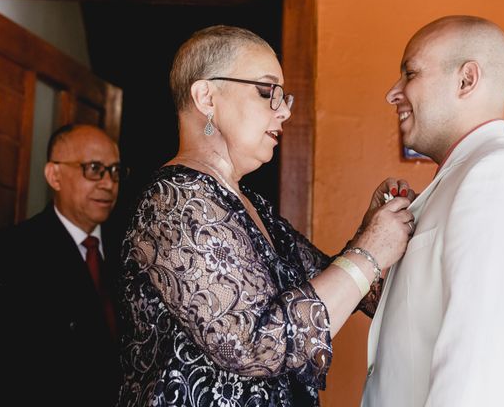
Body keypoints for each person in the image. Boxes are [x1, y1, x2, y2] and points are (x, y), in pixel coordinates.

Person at [117, 25, 416, 407]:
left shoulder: (252, 205)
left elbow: (340, 286)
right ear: (206, 97)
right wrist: (370, 250)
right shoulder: (173, 202)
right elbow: (255, 344)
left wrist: (370, 232)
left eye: (283, 95)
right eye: (267, 92)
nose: (285, 110)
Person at [361, 15, 504, 406]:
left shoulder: (502, 177)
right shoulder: (461, 180)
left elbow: (482, 368)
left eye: (409, 73)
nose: (393, 93)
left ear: (466, 80)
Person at [0, 124, 125, 406]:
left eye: (115, 171)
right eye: (94, 169)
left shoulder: (130, 252)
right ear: (54, 175)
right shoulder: (8, 254)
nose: (108, 183)